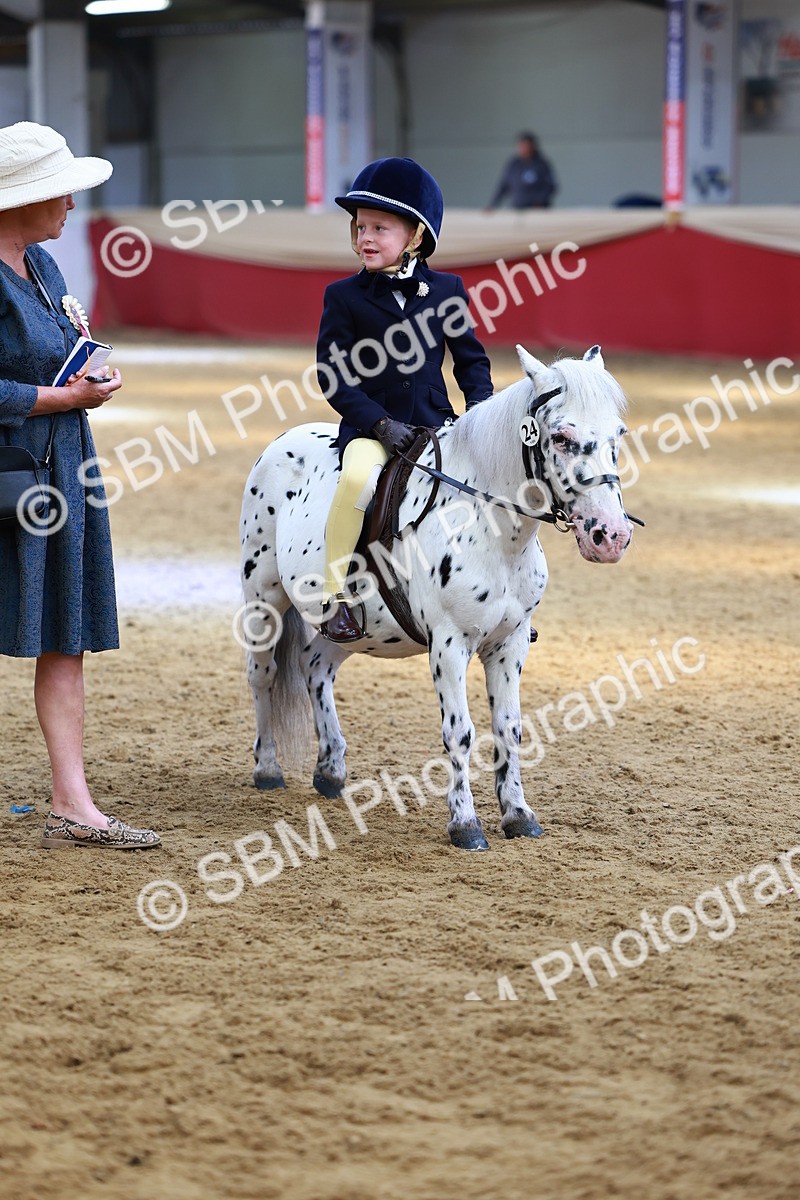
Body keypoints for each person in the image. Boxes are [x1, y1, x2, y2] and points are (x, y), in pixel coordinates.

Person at [0, 122, 160, 850]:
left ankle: (73, 800)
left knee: (64, 635)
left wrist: (86, 377)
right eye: (59, 191)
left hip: (62, 468)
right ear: (20, 200)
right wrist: (57, 401)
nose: (72, 204)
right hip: (12, 473)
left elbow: (54, 356)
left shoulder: (46, 268)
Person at [316, 156, 493, 643]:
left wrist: (480, 415)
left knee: (489, 489)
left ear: (415, 236)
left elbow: (471, 363)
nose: (364, 238)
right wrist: (377, 425)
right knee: (356, 480)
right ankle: (337, 596)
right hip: (372, 427)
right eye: (359, 227)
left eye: (379, 228)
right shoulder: (343, 296)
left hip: (436, 426)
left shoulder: (448, 290)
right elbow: (332, 376)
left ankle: (500, 600)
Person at [486, 132, 557, 210]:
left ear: (533, 146)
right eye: (521, 145)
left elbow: (551, 186)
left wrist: (540, 201)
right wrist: (493, 204)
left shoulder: (542, 164)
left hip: (538, 210)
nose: (524, 148)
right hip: (518, 208)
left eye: (526, 145)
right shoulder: (513, 164)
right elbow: (503, 186)